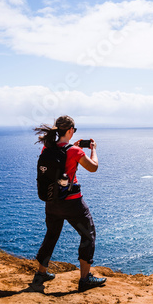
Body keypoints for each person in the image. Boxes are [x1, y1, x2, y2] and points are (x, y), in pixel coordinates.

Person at [31, 115, 106, 292]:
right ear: (71, 130)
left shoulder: (47, 148)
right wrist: (93, 150)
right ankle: (85, 278)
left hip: (52, 202)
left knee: (51, 235)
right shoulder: (75, 151)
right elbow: (93, 167)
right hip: (72, 204)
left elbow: (61, 158)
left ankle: (42, 273)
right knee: (88, 234)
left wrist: (75, 147)